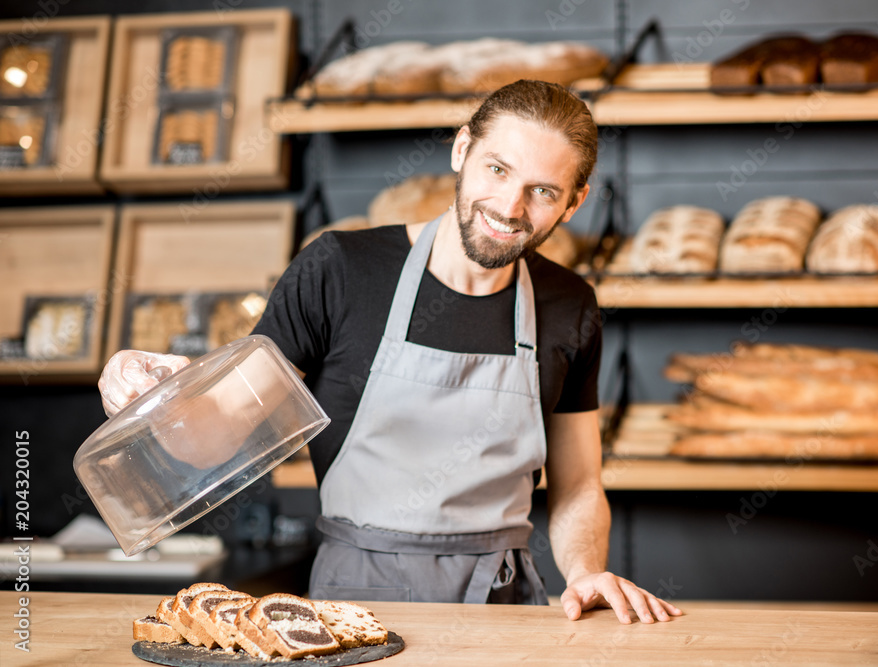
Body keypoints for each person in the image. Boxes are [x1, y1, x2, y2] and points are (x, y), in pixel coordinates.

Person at [99, 79, 681, 625]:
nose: (509, 206)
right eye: (497, 169)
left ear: (573, 203)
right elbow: (216, 434)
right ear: (461, 150)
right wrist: (158, 393)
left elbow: (578, 483)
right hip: (354, 601)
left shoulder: (569, 305)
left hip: (502, 605)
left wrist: (585, 572)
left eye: (542, 191)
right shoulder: (340, 272)